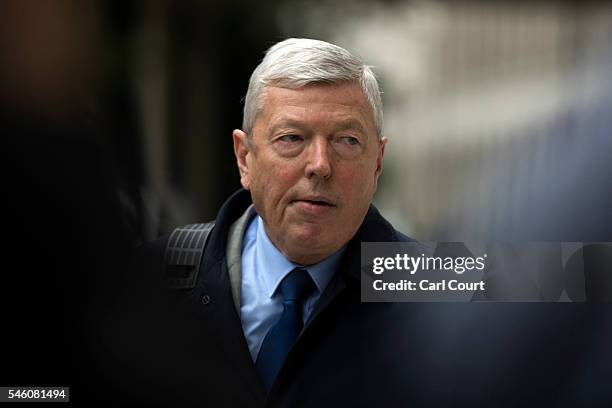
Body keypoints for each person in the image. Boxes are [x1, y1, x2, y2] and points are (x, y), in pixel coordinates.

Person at [117, 38, 612, 408]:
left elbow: (576, 278)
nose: (320, 165)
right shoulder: (157, 278)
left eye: (347, 141)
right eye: (292, 138)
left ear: (377, 162)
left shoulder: (423, 277)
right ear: (244, 157)